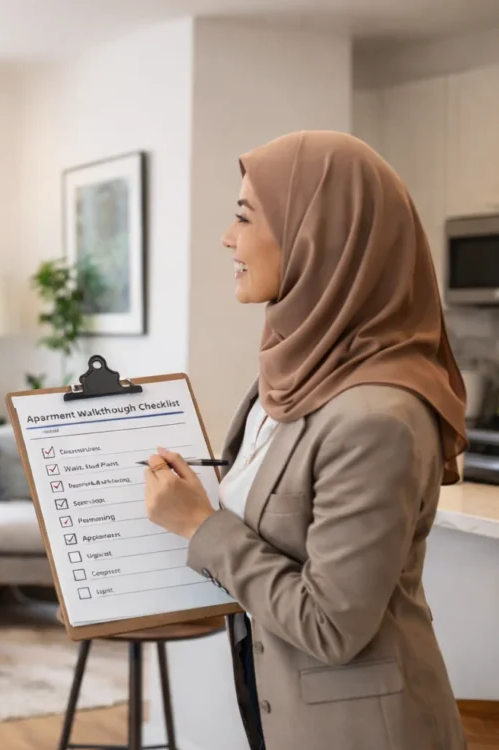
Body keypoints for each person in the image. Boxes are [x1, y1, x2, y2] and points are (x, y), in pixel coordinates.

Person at [141, 130, 469, 750]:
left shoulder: (378, 416)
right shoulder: (297, 376)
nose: (228, 237)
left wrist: (199, 525)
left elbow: (331, 627)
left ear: (317, 235)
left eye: (244, 216)